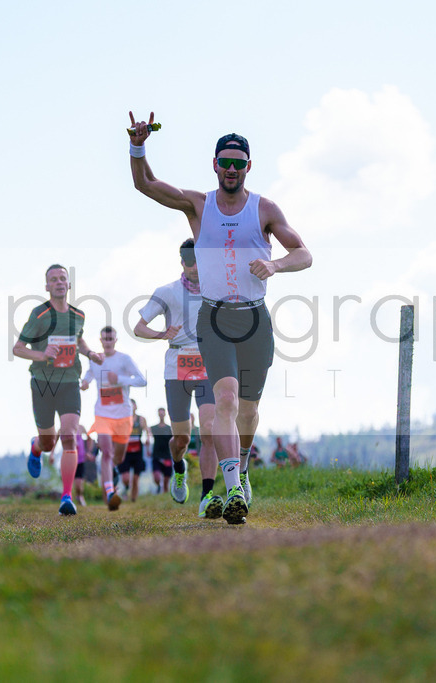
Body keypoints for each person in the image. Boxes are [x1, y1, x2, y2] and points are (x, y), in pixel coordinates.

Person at [128, 112, 313, 524]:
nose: (231, 169)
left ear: (248, 166)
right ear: (215, 165)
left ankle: (243, 469)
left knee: (247, 411)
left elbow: (304, 253)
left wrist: (276, 266)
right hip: (213, 319)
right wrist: (138, 147)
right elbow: (146, 184)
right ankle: (232, 491)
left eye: (238, 163)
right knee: (224, 401)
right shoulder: (198, 204)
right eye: (224, 163)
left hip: (254, 321)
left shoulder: (265, 208)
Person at [133, 239, 221, 518]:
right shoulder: (167, 292)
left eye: (199, 261)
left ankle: (207, 496)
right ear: (181, 262)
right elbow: (139, 327)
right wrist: (161, 334)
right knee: (181, 437)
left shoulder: (216, 290)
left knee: (208, 428)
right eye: (189, 262)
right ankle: (179, 467)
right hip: (177, 367)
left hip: (208, 365)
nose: (194, 268)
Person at [13, 264, 104, 516]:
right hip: (42, 383)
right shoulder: (39, 315)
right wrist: (42, 354)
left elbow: (79, 338)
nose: (59, 282)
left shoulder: (78, 315)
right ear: (47, 286)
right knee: (48, 441)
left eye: (62, 278)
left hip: (69, 382)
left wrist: (90, 353)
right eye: (53, 279)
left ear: (69, 284)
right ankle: (36, 447)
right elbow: (18, 348)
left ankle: (66, 497)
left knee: (69, 435)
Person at [81, 326, 146, 510]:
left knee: (118, 456)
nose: (108, 342)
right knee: (106, 452)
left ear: (115, 340)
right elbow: (90, 373)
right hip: (102, 414)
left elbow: (142, 380)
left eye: (111, 338)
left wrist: (119, 379)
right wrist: (85, 382)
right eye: (105, 339)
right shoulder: (96, 360)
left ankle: (114, 473)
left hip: (123, 416)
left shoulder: (124, 359)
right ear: (100, 340)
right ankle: (110, 492)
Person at [117, 398, 150, 502]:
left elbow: (147, 431)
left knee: (136, 479)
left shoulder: (141, 419)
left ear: (136, 407)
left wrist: (148, 439)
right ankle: (126, 487)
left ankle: (133, 500)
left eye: (133, 405)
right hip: (125, 451)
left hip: (137, 451)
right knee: (126, 478)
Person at [149, 407, 174, 494]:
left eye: (162, 413)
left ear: (165, 414)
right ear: (158, 415)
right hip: (156, 455)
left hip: (167, 456)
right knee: (157, 477)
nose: (161, 415)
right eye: (160, 413)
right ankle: (159, 486)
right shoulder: (153, 428)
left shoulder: (169, 428)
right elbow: (148, 438)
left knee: (166, 479)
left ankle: (164, 495)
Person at [73, 424, 95, 506]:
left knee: (78, 484)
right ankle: (68, 498)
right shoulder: (63, 427)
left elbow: (89, 438)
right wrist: (52, 454)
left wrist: (88, 452)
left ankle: (80, 496)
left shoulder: (81, 427)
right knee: (71, 482)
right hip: (68, 460)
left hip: (80, 460)